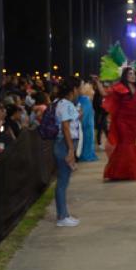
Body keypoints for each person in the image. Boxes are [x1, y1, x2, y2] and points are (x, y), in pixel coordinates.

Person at [93, 67, 136, 181]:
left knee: (131, 144)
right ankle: (120, 172)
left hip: (133, 121)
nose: (132, 76)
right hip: (122, 121)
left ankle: (128, 172)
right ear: (125, 76)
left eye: (134, 74)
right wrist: (97, 82)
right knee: (124, 144)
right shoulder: (119, 87)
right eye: (130, 74)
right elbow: (104, 93)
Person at [53, 76, 81, 227]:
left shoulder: (61, 103)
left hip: (65, 143)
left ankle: (64, 214)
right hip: (64, 144)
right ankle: (62, 217)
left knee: (63, 180)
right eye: (79, 88)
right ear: (74, 89)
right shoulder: (65, 104)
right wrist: (70, 149)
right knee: (63, 181)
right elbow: (65, 127)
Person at [77, 80, 98, 162]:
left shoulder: (84, 96)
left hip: (88, 116)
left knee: (88, 135)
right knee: (87, 135)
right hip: (87, 116)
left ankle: (85, 154)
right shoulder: (84, 96)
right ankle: (86, 154)